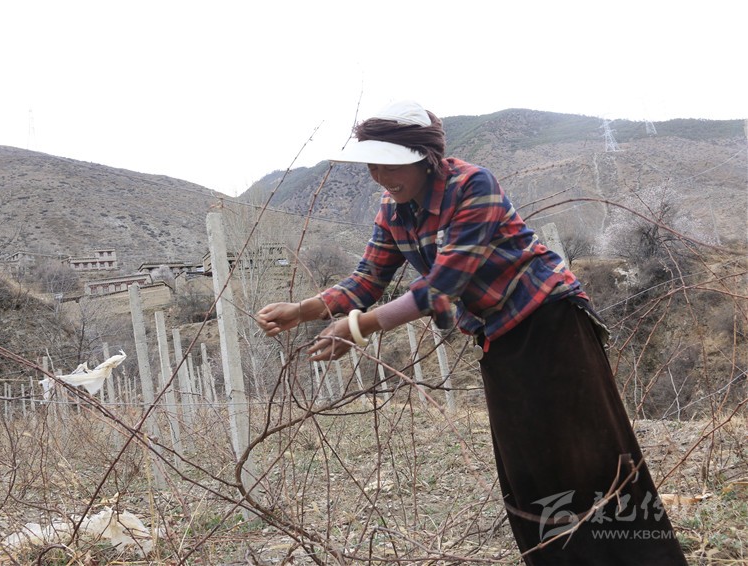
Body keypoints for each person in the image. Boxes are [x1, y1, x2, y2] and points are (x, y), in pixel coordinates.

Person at [256, 100, 687, 565]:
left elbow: (444, 284)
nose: (381, 176)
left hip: (551, 322)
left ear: (425, 158)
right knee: (530, 465)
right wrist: (304, 310)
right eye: (373, 166)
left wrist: (358, 326)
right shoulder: (393, 209)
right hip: (497, 337)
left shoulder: (472, 185)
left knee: (590, 452)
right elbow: (368, 278)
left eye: (391, 164)